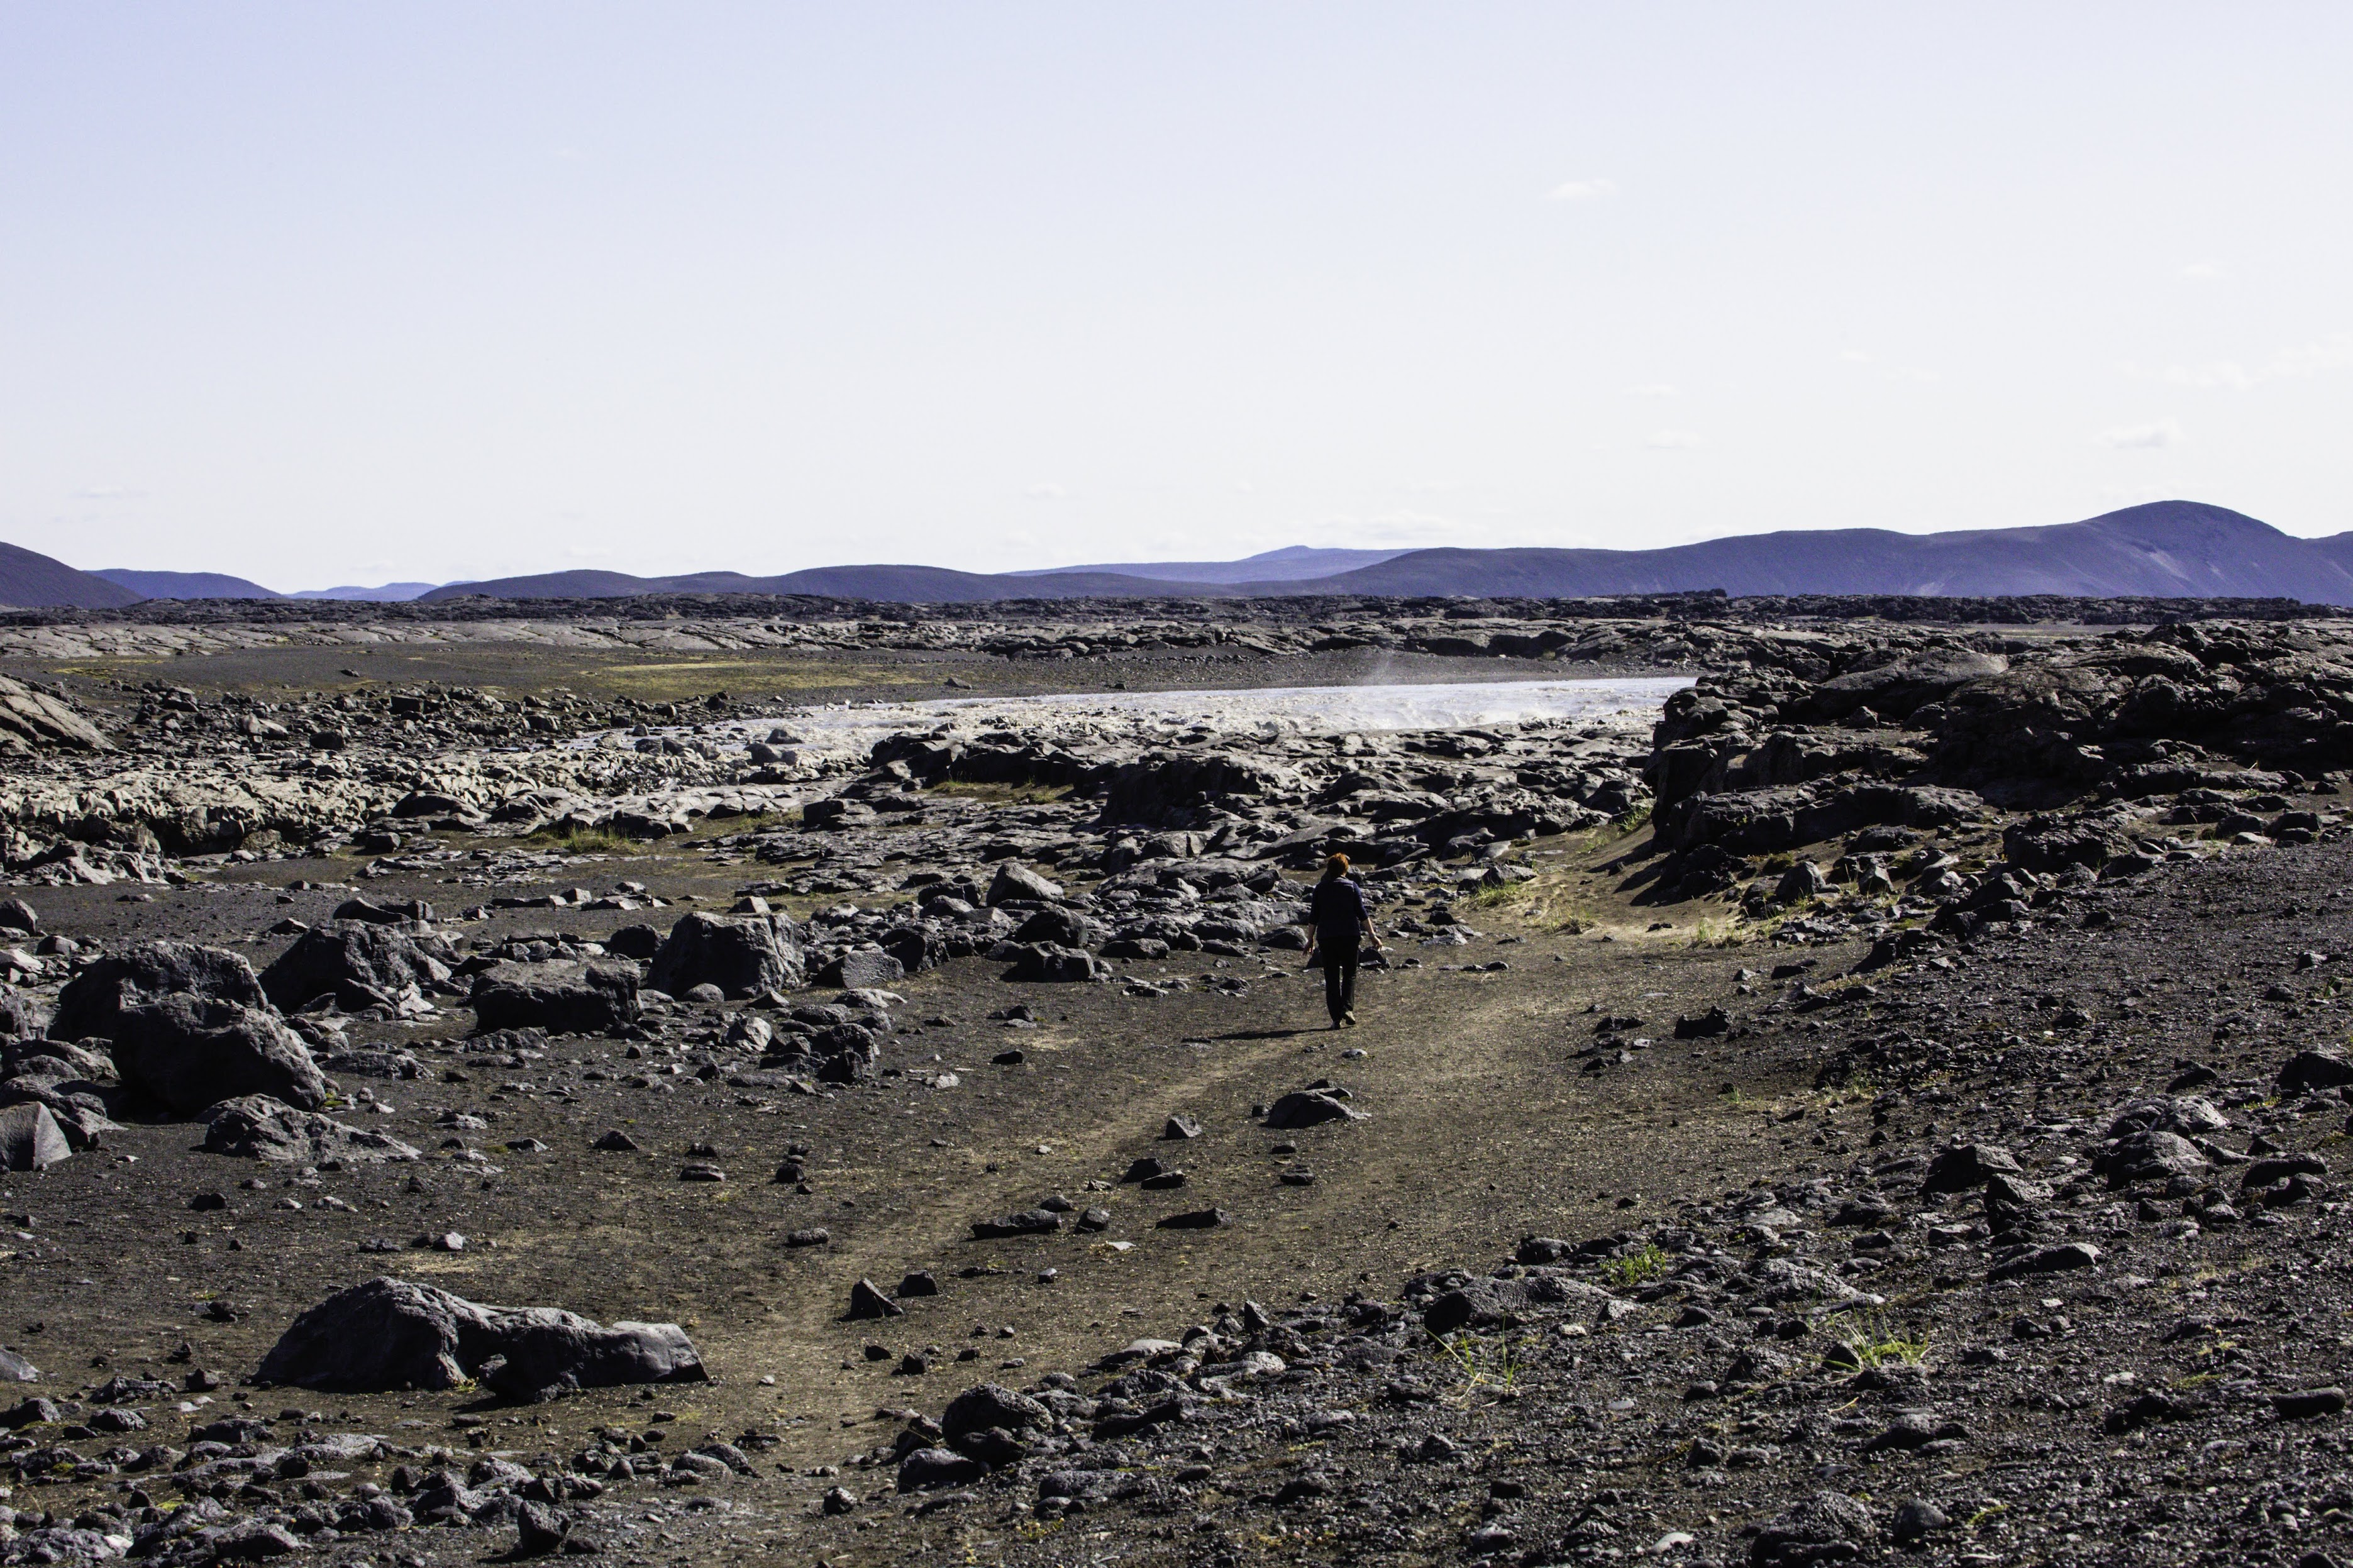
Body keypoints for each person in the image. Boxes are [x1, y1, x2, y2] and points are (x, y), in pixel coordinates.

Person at [1303, 853, 1382, 1028]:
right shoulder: (1352, 887)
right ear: (1345, 869)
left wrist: (1310, 940)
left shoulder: (1320, 889)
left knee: (1331, 978)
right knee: (1349, 974)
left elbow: (1313, 918)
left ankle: (1335, 1019)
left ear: (1329, 870)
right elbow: (1362, 914)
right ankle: (1347, 1008)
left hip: (1327, 938)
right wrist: (1372, 935)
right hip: (1350, 936)